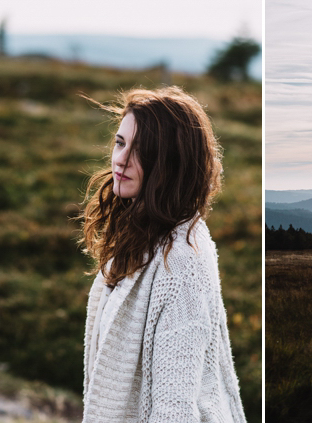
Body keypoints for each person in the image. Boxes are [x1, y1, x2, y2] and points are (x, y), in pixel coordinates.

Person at [78, 86, 246, 422]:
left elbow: (175, 408)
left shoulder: (181, 260)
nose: (121, 160)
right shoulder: (139, 235)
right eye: (120, 142)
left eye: (141, 151)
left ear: (169, 162)